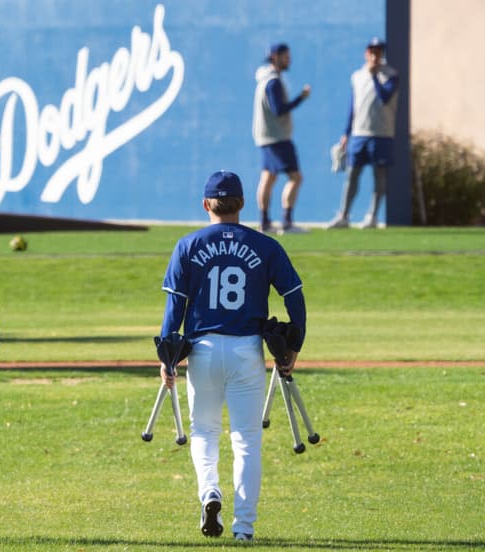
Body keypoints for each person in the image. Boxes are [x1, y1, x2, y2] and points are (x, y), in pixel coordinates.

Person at [158, 170, 306, 543]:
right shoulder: (267, 245)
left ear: (206, 204)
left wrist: (166, 354)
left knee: (204, 431)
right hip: (246, 350)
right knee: (246, 440)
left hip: (203, 351)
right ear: (242, 203)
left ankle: (210, 492)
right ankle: (244, 528)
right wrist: (293, 345)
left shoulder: (187, 245)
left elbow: (174, 307)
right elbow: (295, 296)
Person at [327, 37, 399, 229]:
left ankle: (372, 217)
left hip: (382, 133)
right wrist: (346, 133)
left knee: (379, 176)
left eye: (378, 52)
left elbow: (384, 97)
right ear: (366, 53)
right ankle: (343, 215)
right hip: (359, 134)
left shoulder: (391, 75)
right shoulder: (357, 76)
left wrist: (375, 76)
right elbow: (354, 106)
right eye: (372, 52)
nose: (375, 55)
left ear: (382, 53)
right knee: (352, 175)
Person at [252, 42, 312, 234]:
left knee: (268, 177)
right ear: (276, 57)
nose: (289, 59)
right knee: (296, 177)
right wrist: (301, 98)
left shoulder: (266, 79)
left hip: (267, 137)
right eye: (286, 56)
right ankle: (286, 222)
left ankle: (265, 223)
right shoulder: (273, 81)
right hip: (277, 138)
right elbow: (279, 110)